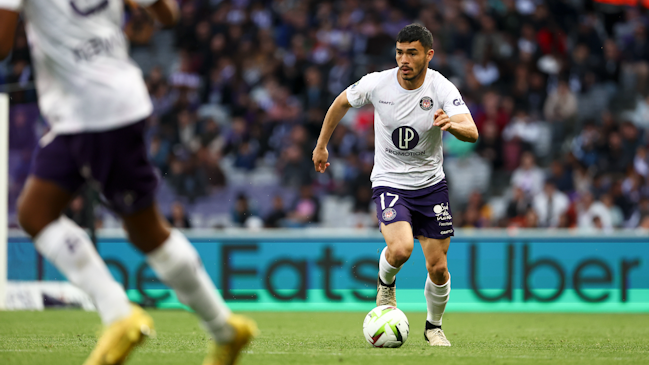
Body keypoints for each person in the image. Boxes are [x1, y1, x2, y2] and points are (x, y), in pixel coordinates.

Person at [0, 1, 256, 365]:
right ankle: (140, 317)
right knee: (35, 214)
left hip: (95, 112)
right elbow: (167, 14)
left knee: (146, 230)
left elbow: (1, 45)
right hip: (92, 109)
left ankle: (218, 328)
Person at [312, 24, 478, 347]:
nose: (404, 59)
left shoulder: (440, 87)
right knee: (401, 248)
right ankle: (385, 283)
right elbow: (340, 103)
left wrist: (451, 125)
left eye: (412, 53)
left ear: (428, 55)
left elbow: (472, 130)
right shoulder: (378, 83)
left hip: (431, 185)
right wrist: (321, 146)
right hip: (390, 181)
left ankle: (433, 327)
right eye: (400, 52)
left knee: (439, 268)